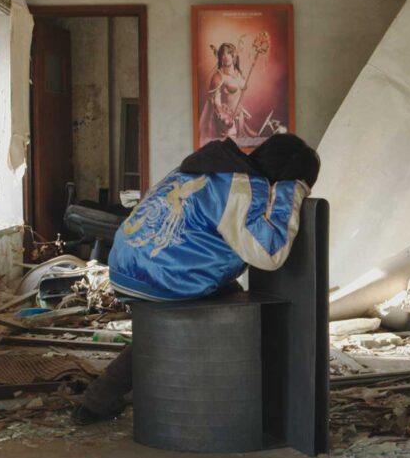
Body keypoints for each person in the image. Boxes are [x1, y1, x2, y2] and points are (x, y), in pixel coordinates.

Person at [73, 133, 320, 424]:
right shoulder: (244, 188)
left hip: (126, 265)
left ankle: (99, 399)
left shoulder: (209, 168)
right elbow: (269, 253)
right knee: (236, 316)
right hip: (160, 279)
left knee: (218, 300)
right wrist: (292, 191)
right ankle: (217, 395)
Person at [198, 42, 258, 144]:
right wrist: (224, 117)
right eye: (223, 54)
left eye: (229, 53)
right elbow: (215, 102)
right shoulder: (218, 76)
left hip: (240, 119)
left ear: (233, 56)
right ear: (220, 57)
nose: (226, 57)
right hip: (225, 122)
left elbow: (239, 94)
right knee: (228, 151)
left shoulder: (239, 74)